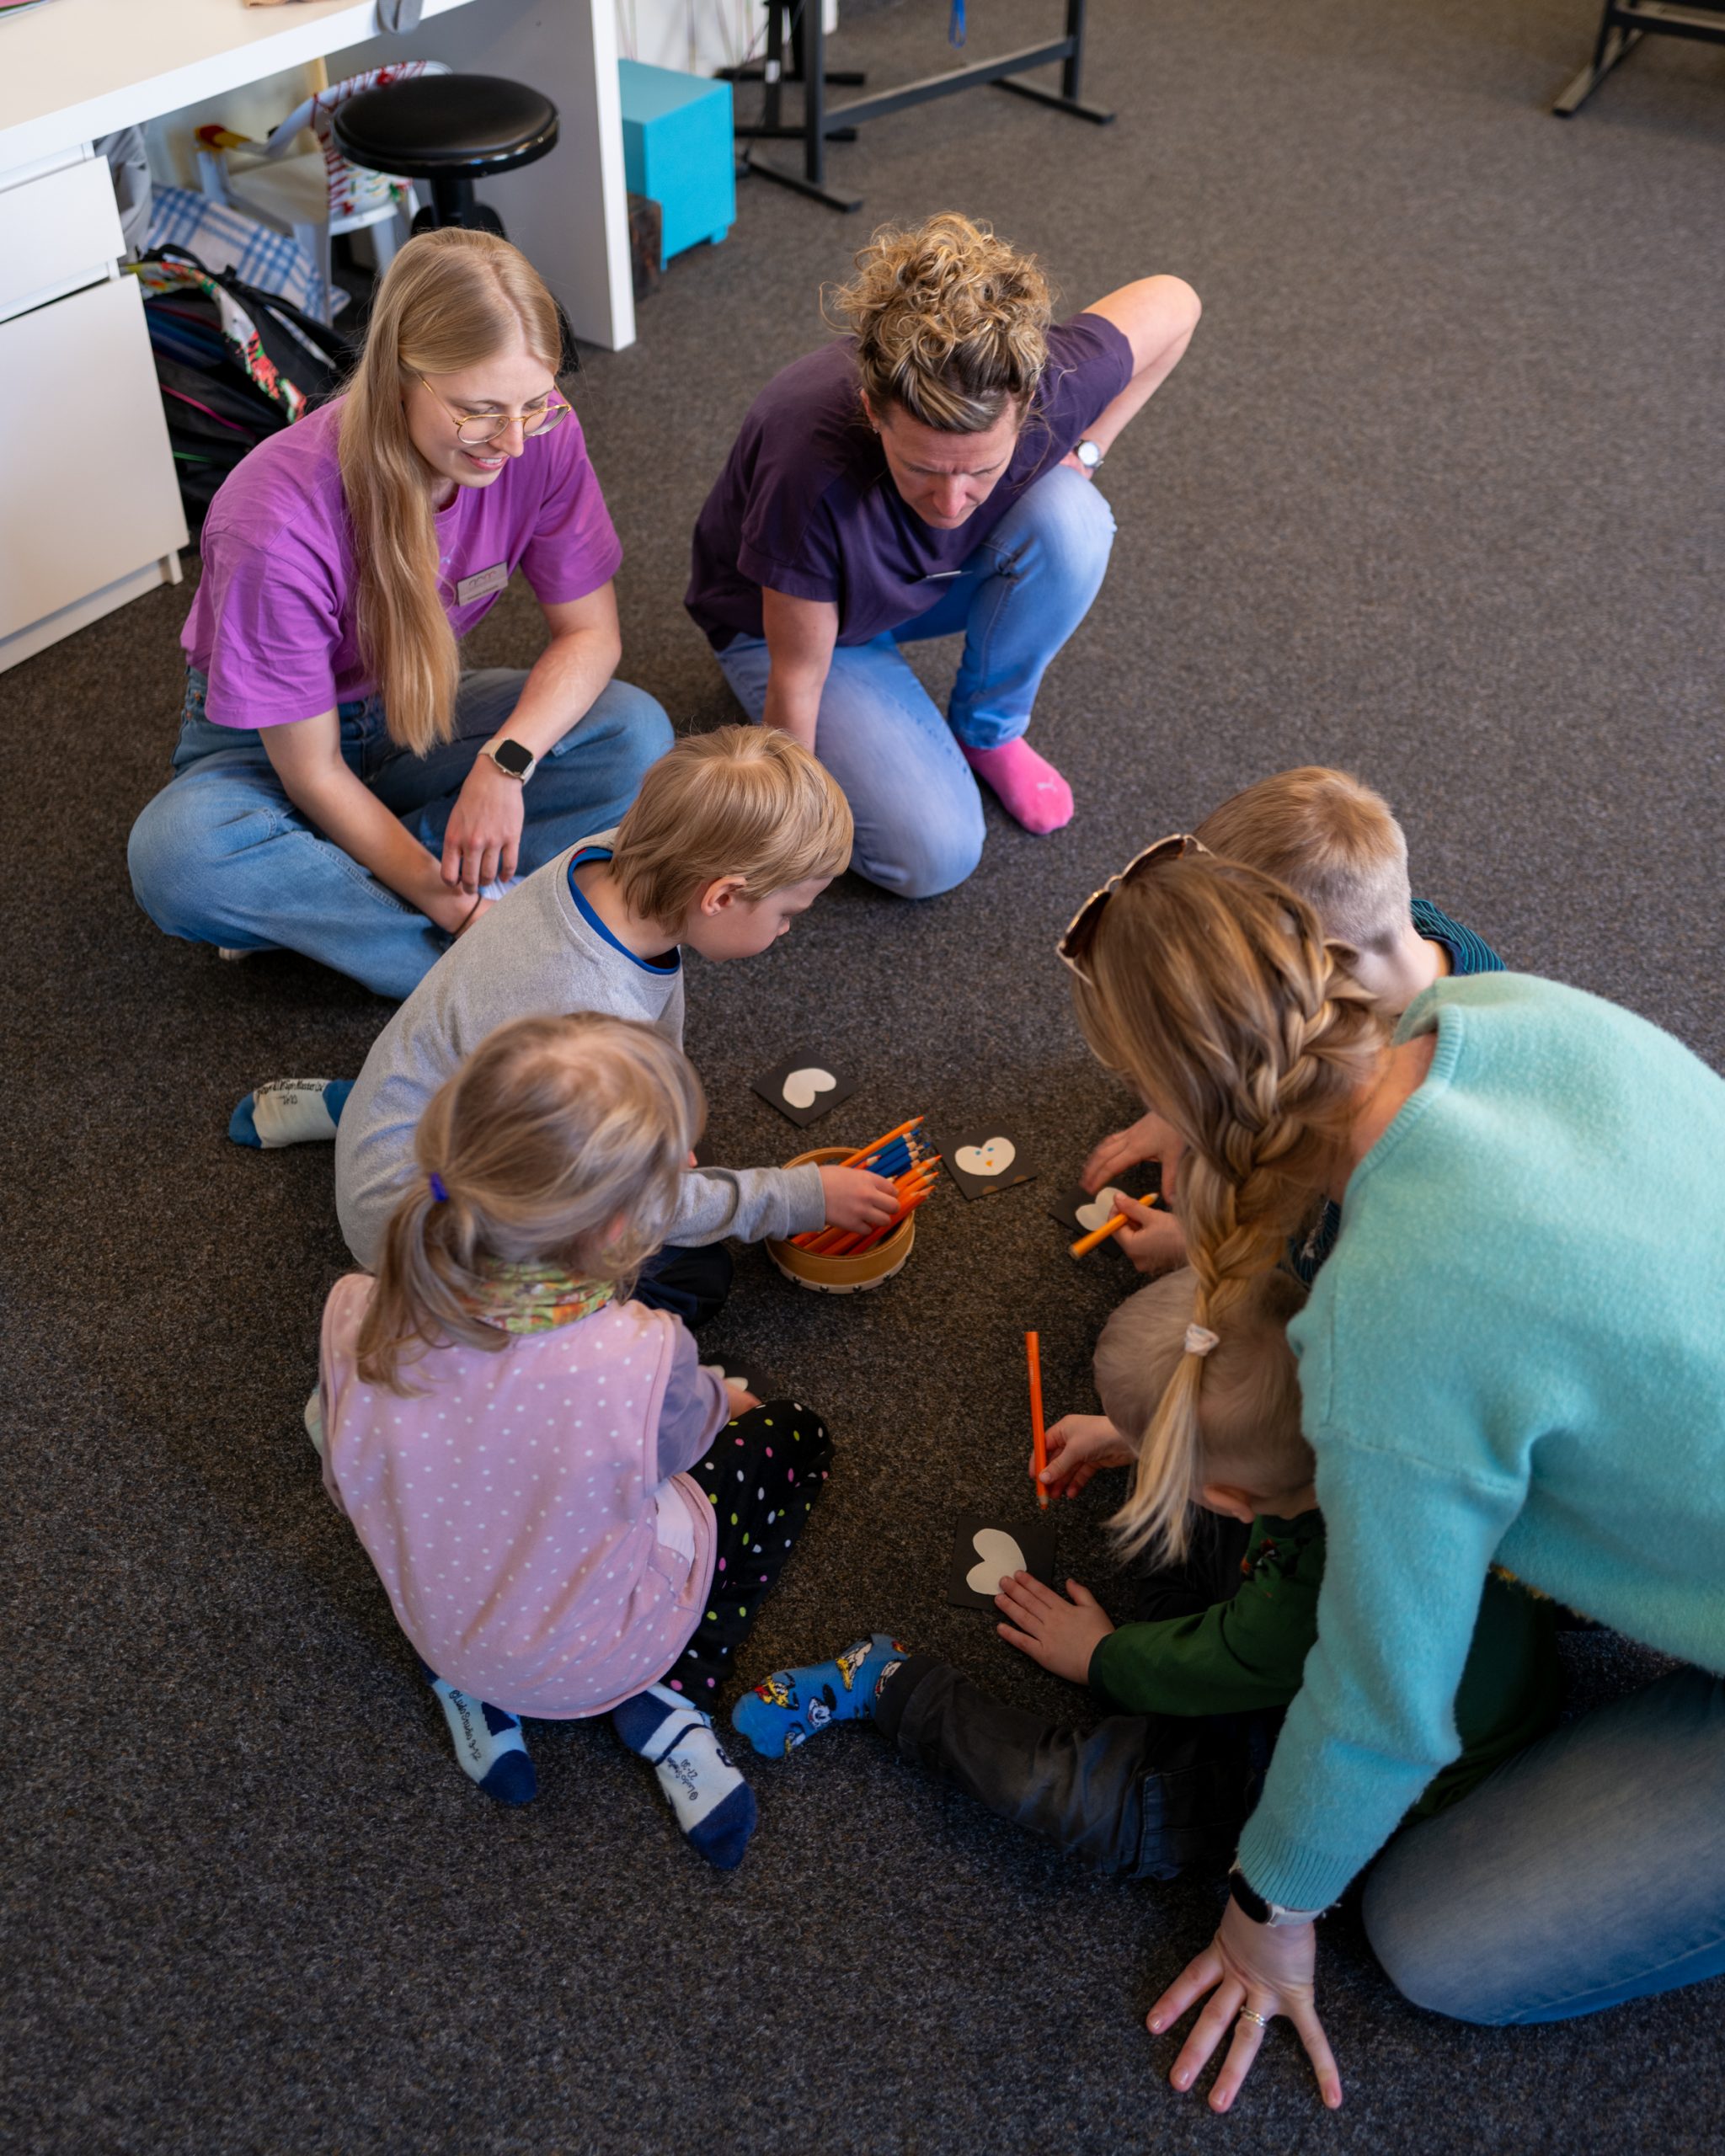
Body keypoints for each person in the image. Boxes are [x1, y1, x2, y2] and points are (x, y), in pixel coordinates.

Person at [1059, 841, 1725, 2111]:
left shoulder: (1382, 1330)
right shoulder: (1498, 1004)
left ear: (1187, 1108)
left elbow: (1381, 1705)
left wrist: (1266, 1914)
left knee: (1431, 1936)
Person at [727, 1267, 1558, 1886]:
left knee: (1094, 1803)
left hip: (1340, 1760)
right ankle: (1158, 1639)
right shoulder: (1356, 1398)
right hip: (1320, 1645)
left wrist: (1099, 1657)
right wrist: (1134, 1438)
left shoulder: (1323, 1592)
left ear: (1229, 1495)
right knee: (1180, 1557)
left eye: (1167, 1465)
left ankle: (886, 1681)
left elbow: (1238, 1651)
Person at [313, 1011, 837, 1868]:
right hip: (600, 1648)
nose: (692, 1166)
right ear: (616, 1231)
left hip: (440, 1624)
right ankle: (670, 1692)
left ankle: (471, 1692)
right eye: (672, 1166)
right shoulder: (644, 1353)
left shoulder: (355, 1309)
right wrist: (722, 1400)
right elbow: (679, 1449)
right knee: (795, 1438)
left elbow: (348, 1466)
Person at [128, 228, 671, 1001]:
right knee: (180, 858)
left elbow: (591, 635)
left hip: (413, 708)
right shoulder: (271, 521)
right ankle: (479, 959)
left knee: (633, 734)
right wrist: (460, 912)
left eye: (535, 404)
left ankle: (322, 888)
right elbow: (312, 771)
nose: (514, 443)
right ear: (398, 380)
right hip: (273, 750)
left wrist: (505, 763)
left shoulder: (541, 436)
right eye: (479, 411)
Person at [685, 211, 1201, 898]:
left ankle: (987, 730)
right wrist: (787, 833)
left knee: (1071, 518)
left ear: (1026, 407)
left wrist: (1084, 453)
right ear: (874, 412)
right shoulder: (804, 460)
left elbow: (1176, 302)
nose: (953, 502)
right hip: (790, 629)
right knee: (933, 857)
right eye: (922, 468)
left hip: (918, 579)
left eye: (981, 469)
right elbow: (799, 677)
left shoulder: (1050, 384)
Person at [333, 725, 898, 1324]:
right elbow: (640, 1202)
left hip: (420, 1117)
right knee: (693, 1279)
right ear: (721, 897)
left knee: (674, 1176)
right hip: (424, 1241)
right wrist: (795, 1199)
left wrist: (657, 1123)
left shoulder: (612, 856)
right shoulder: (594, 1011)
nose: (786, 930)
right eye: (788, 913)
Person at [1079, 770, 1503, 1279]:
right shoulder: (1401, 925)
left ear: (1313, 971)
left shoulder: (1387, 1136)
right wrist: (1180, 1114)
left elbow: (1327, 1265)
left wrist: (1198, 1244)